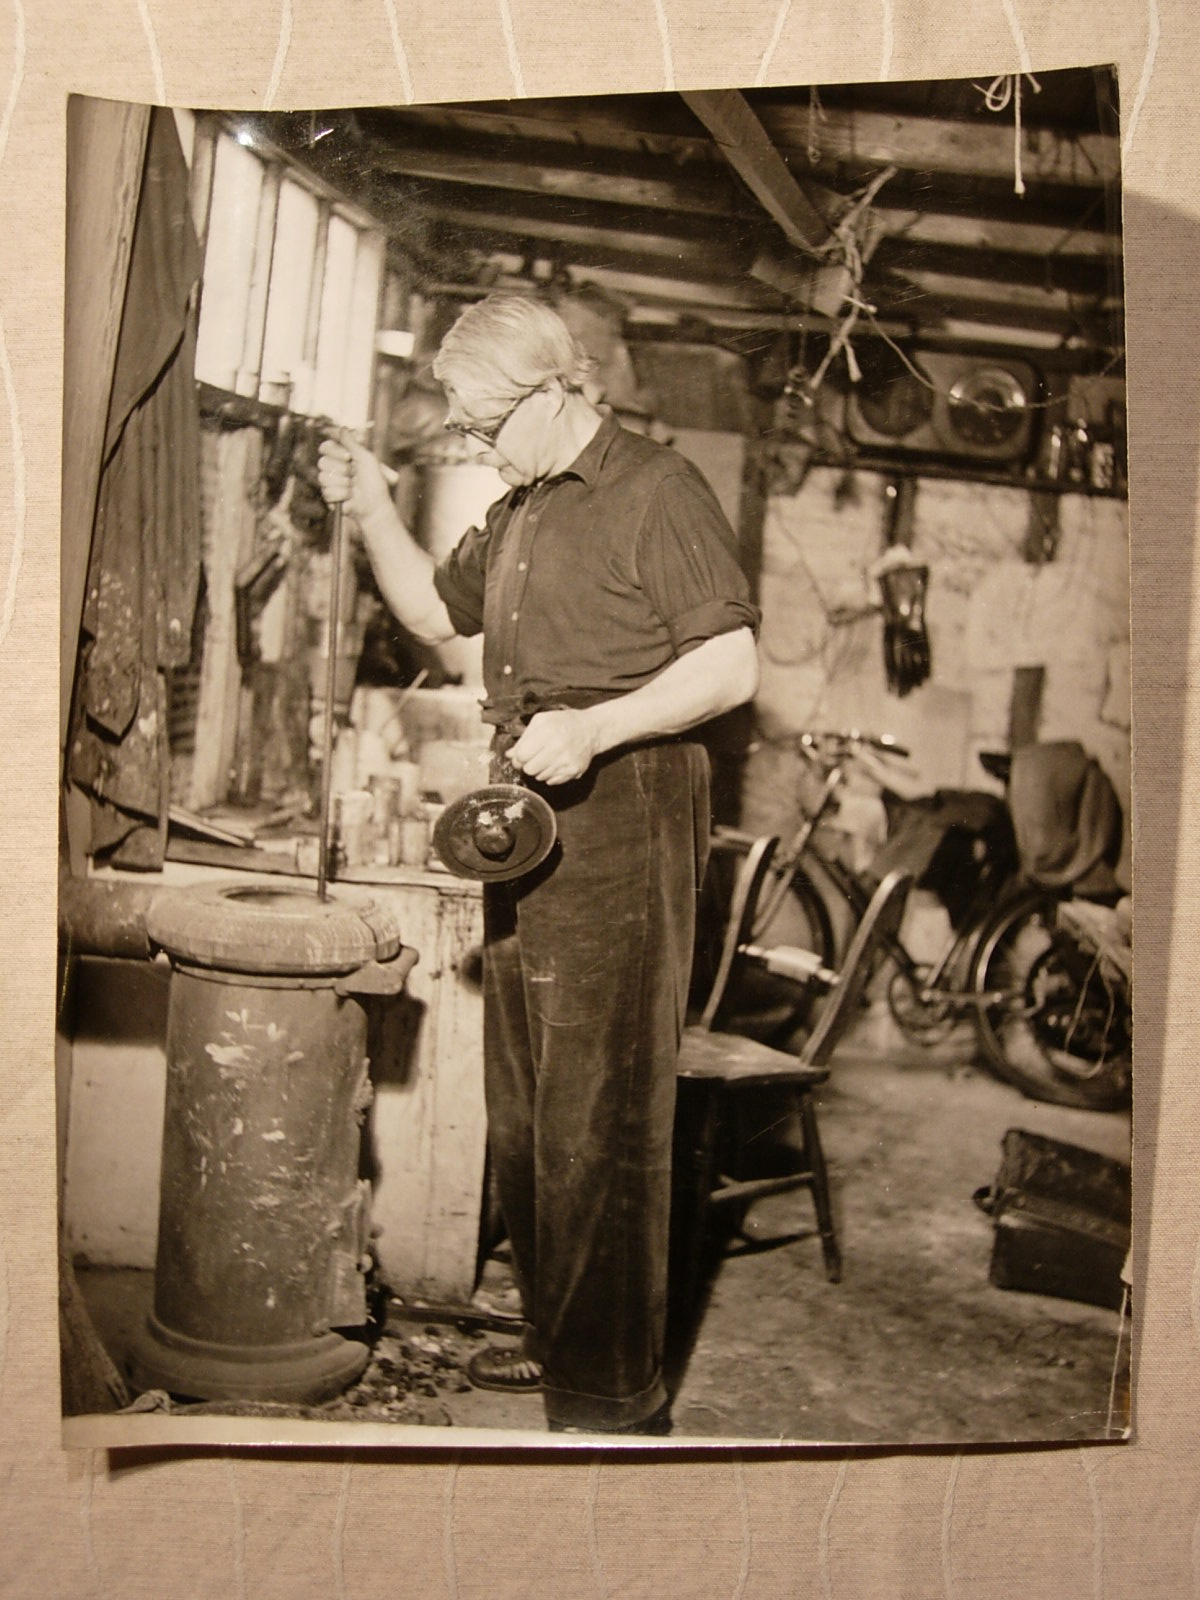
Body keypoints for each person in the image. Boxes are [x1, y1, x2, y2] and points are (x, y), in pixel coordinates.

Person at [318, 294, 759, 1434]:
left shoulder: (657, 490)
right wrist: (372, 507)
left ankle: (610, 1399)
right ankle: (565, 1341)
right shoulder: (521, 506)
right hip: (531, 810)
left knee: (602, 1112)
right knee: (527, 1106)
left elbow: (731, 664)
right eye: (463, 428)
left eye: (484, 423)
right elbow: (433, 613)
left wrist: (598, 727)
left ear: (556, 390)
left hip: (625, 803)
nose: (476, 446)